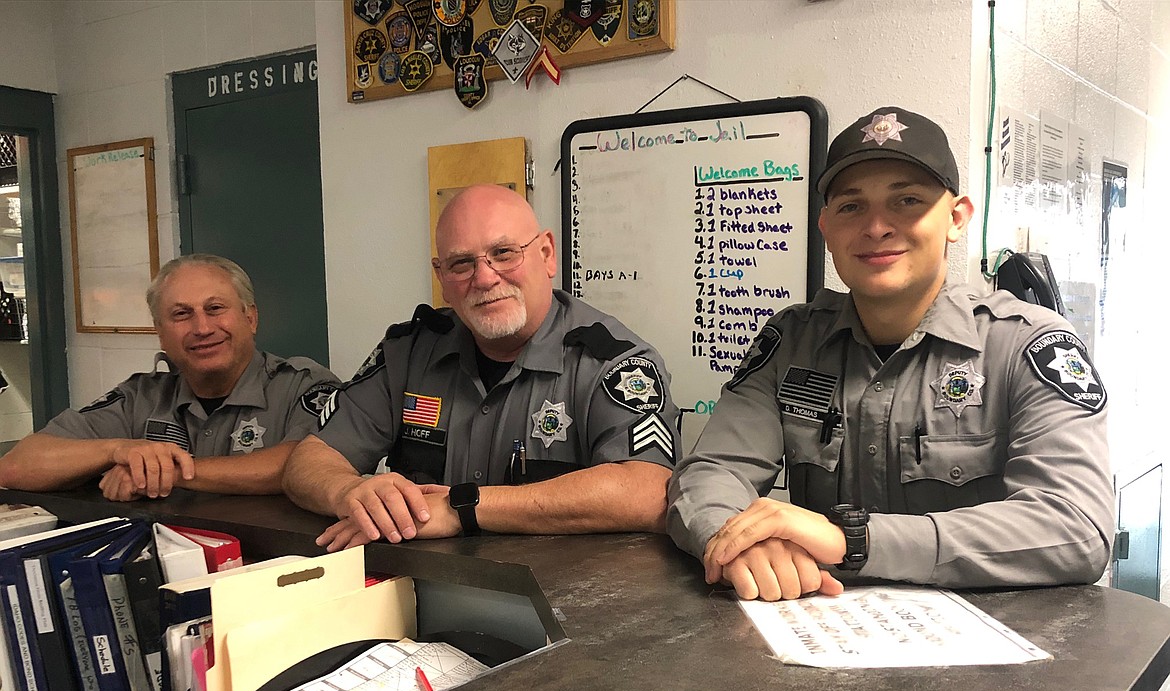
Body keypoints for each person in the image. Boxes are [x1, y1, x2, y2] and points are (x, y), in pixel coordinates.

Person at [667, 107, 1113, 601]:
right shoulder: (792, 343)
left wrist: (855, 540)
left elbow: (1078, 527)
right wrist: (735, 541)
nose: (877, 227)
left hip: (991, 656)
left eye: (907, 201)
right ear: (826, 227)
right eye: (852, 207)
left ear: (956, 218)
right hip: (816, 639)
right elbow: (712, 472)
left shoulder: (1027, 345)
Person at [283, 184, 679, 547]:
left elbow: (646, 489)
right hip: (417, 595)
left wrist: (463, 507)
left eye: (504, 254)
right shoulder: (410, 353)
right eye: (461, 264)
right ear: (441, 278)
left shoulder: (614, 363)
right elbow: (309, 460)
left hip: (563, 606)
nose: (485, 278)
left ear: (546, 254)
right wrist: (348, 492)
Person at [0, 254, 338, 501]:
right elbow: (15, 467)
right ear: (160, 334)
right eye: (181, 314)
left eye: (215, 308)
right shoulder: (141, 397)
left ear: (250, 319)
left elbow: (305, 465)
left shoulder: (303, 385)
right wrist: (119, 449)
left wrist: (166, 472)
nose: (202, 328)